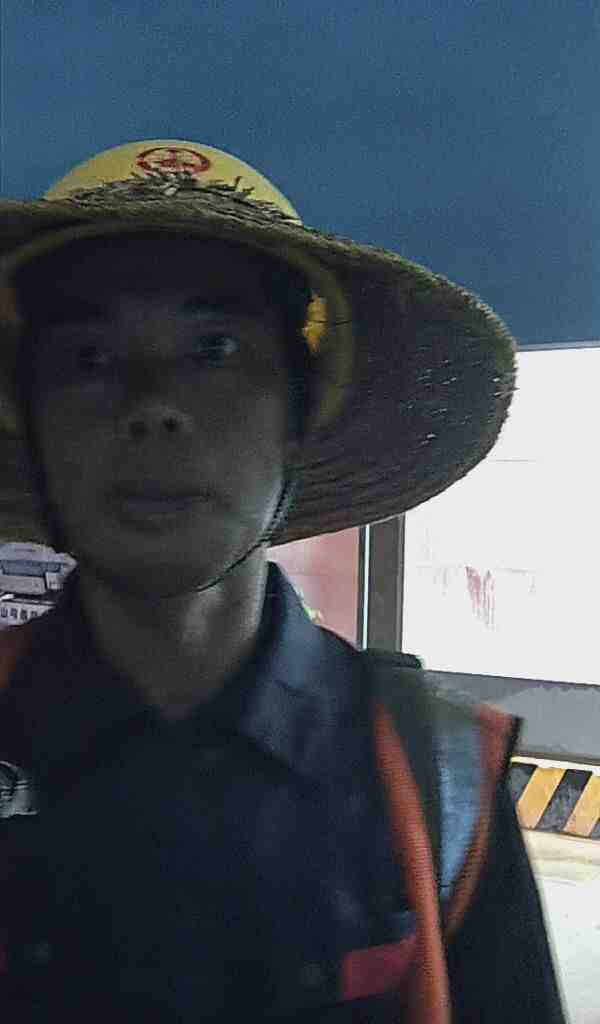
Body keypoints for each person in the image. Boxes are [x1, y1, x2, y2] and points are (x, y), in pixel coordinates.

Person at [0, 140, 565, 1022]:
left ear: (300, 416)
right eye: (89, 359)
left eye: (214, 348)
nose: (153, 407)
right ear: (31, 421)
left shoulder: (444, 775)